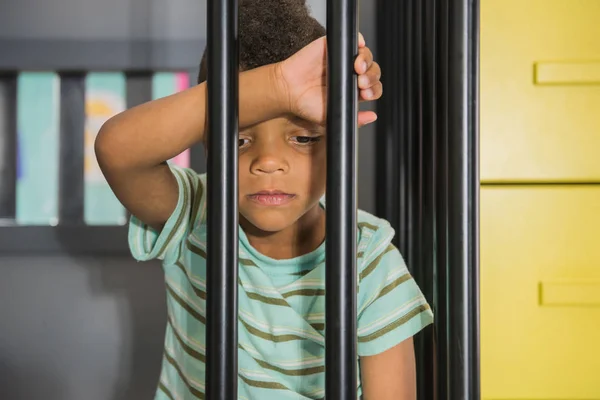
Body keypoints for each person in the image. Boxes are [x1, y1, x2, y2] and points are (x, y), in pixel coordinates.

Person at [95, 0, 433, 398]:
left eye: (304, 138)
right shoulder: (195, 214)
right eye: (239, 139)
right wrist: (277, 87)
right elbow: (118, 150)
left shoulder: (368, 258)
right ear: (206, 142)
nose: (269, 162)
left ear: (342, 138)